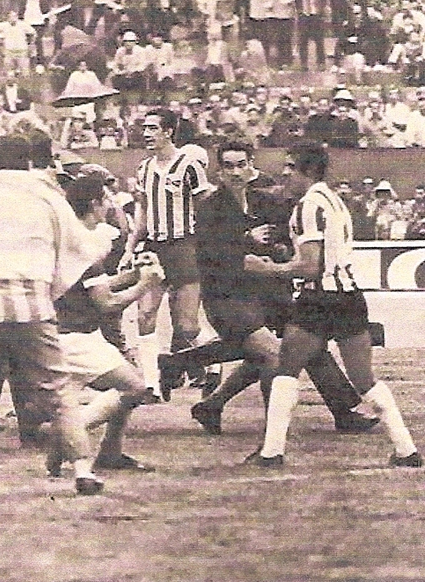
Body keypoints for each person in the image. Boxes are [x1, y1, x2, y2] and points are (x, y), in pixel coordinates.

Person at [0, 135, 119, 500]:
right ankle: (82, 468)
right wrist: (51, 286)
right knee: (59, 390)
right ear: (29, 161)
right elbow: (79, 250)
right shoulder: (47, 197)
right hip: (33, 304)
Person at [158, 140, 379, 436]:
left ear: (252, 164)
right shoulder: (211, 206)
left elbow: (288, 237)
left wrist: (280, 250)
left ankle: (205, 394)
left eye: (241, 164)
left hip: (267, 293)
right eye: (228, 166)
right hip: (226, 297)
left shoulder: (269, 199)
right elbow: (207, 255)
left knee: (308, 343)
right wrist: (247, 241)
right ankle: (275, 433)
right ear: (219, 171)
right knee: (273, 355)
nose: (236, 172)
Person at [243, 142, 422, 468]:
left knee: (286, 369)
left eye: (290, 166)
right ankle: (405, 448)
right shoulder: (335, 201)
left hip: (319, 299)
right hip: (350, 298)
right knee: (364, 379)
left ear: (308, 171)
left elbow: (312, 266)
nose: (284, 173)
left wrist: (267, 267)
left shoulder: (308, 205)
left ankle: (272, 452)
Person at [47, 174, 164, 478]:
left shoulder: (68, 240)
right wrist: (145, 285)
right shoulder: (85, 245)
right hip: (78, 339)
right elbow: (107, 304)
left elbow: (89, 286)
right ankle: (68, 438)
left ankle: (108, 451)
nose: (111, 204)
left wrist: (132, 275)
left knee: (98, 395)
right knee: (136, 387)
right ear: (94, 204)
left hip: (64, 335)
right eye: (106, 198)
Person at [118, 108, 211, 400]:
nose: (146, 134)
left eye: (153, 128)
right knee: (145, 315)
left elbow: (205, 209)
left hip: (184, 246)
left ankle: (214, 368)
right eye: (144, 128)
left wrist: (208, 248)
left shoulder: (190, 165)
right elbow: (142, 210)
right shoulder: (145, 168)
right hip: (154, 249)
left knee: (187, 326)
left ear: (169, 131)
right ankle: (151, 384)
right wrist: (130, 247)